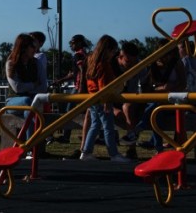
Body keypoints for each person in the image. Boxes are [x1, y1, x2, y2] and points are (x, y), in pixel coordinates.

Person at [121, 40, 187, 151]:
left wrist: (170, 90)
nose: (166, 57)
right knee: (156, 114)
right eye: (164, 54)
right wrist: (162, 89)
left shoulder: (177, 63)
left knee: (155, 109)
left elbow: (183, 84)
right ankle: (158, 148)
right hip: (157, 101)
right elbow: (150, 87)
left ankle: (138, 129)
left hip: (174, 101)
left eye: (169, 54)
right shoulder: (153, 64)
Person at [80, 34, 129, 162]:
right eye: (113, 51)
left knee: (95, 125)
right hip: (103, 99)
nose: (113, 54)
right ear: (107, 50)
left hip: (93, 98)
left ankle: (86, 152)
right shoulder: (104, 65)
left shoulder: (91, 61)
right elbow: (104, 86)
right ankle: (113, 154)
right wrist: (107, 101)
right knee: (108, 127)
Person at [4, 33, 45, 148]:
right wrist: (33, 84)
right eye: (32, 46)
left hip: (31, 102)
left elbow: (43, 86)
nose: (35, 49)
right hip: (13, 101)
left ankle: (29, 147)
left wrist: (28, 86)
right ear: (23, 47)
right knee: (28, 101)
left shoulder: (36, 63)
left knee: (29, 110)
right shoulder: (11, 63)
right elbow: (17, 87)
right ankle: (29, 146)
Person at [50, 34, 89, 145]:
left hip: (78, 87)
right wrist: (61, 80)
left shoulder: (78, 55)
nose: (71, 45)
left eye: (72, 43)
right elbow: (74, 73)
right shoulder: (85, 54)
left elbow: (81, 71)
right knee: (88, 111)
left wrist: (80, 86)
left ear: (79, 43)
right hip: (83, 87)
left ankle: (66, 136)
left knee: (69, 111)